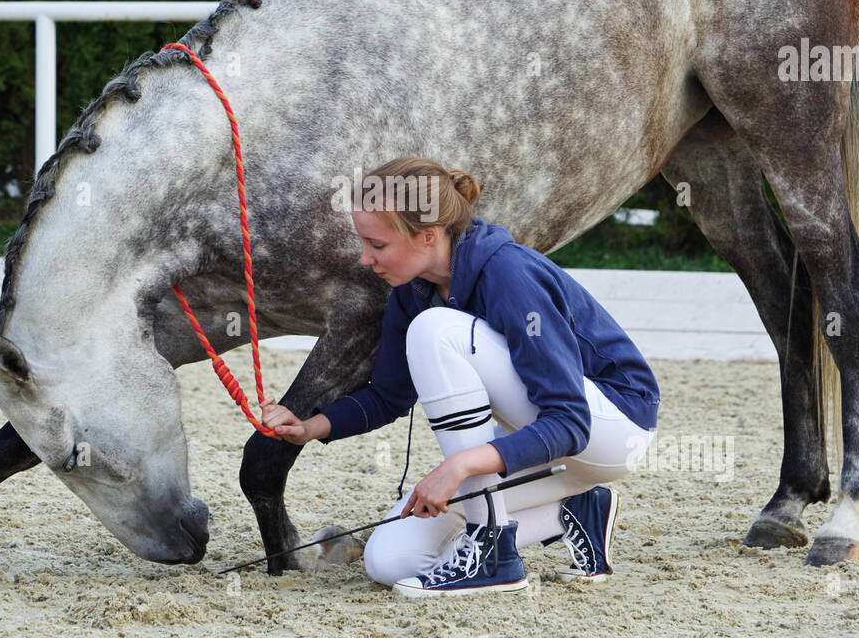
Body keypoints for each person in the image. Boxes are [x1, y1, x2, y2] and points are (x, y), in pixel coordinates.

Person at [259, 157, 660, 596]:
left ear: (428, 235)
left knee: (435, 328)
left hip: (612, 430)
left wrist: (460, 464)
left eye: (376, 244)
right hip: (546, 449)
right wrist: (310, 427)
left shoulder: (509, 273)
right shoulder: (412, 291)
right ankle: (574, 510)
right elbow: (390, 397)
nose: (364, 257)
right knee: (391, 560)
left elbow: (569, 422)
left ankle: (492, 552)